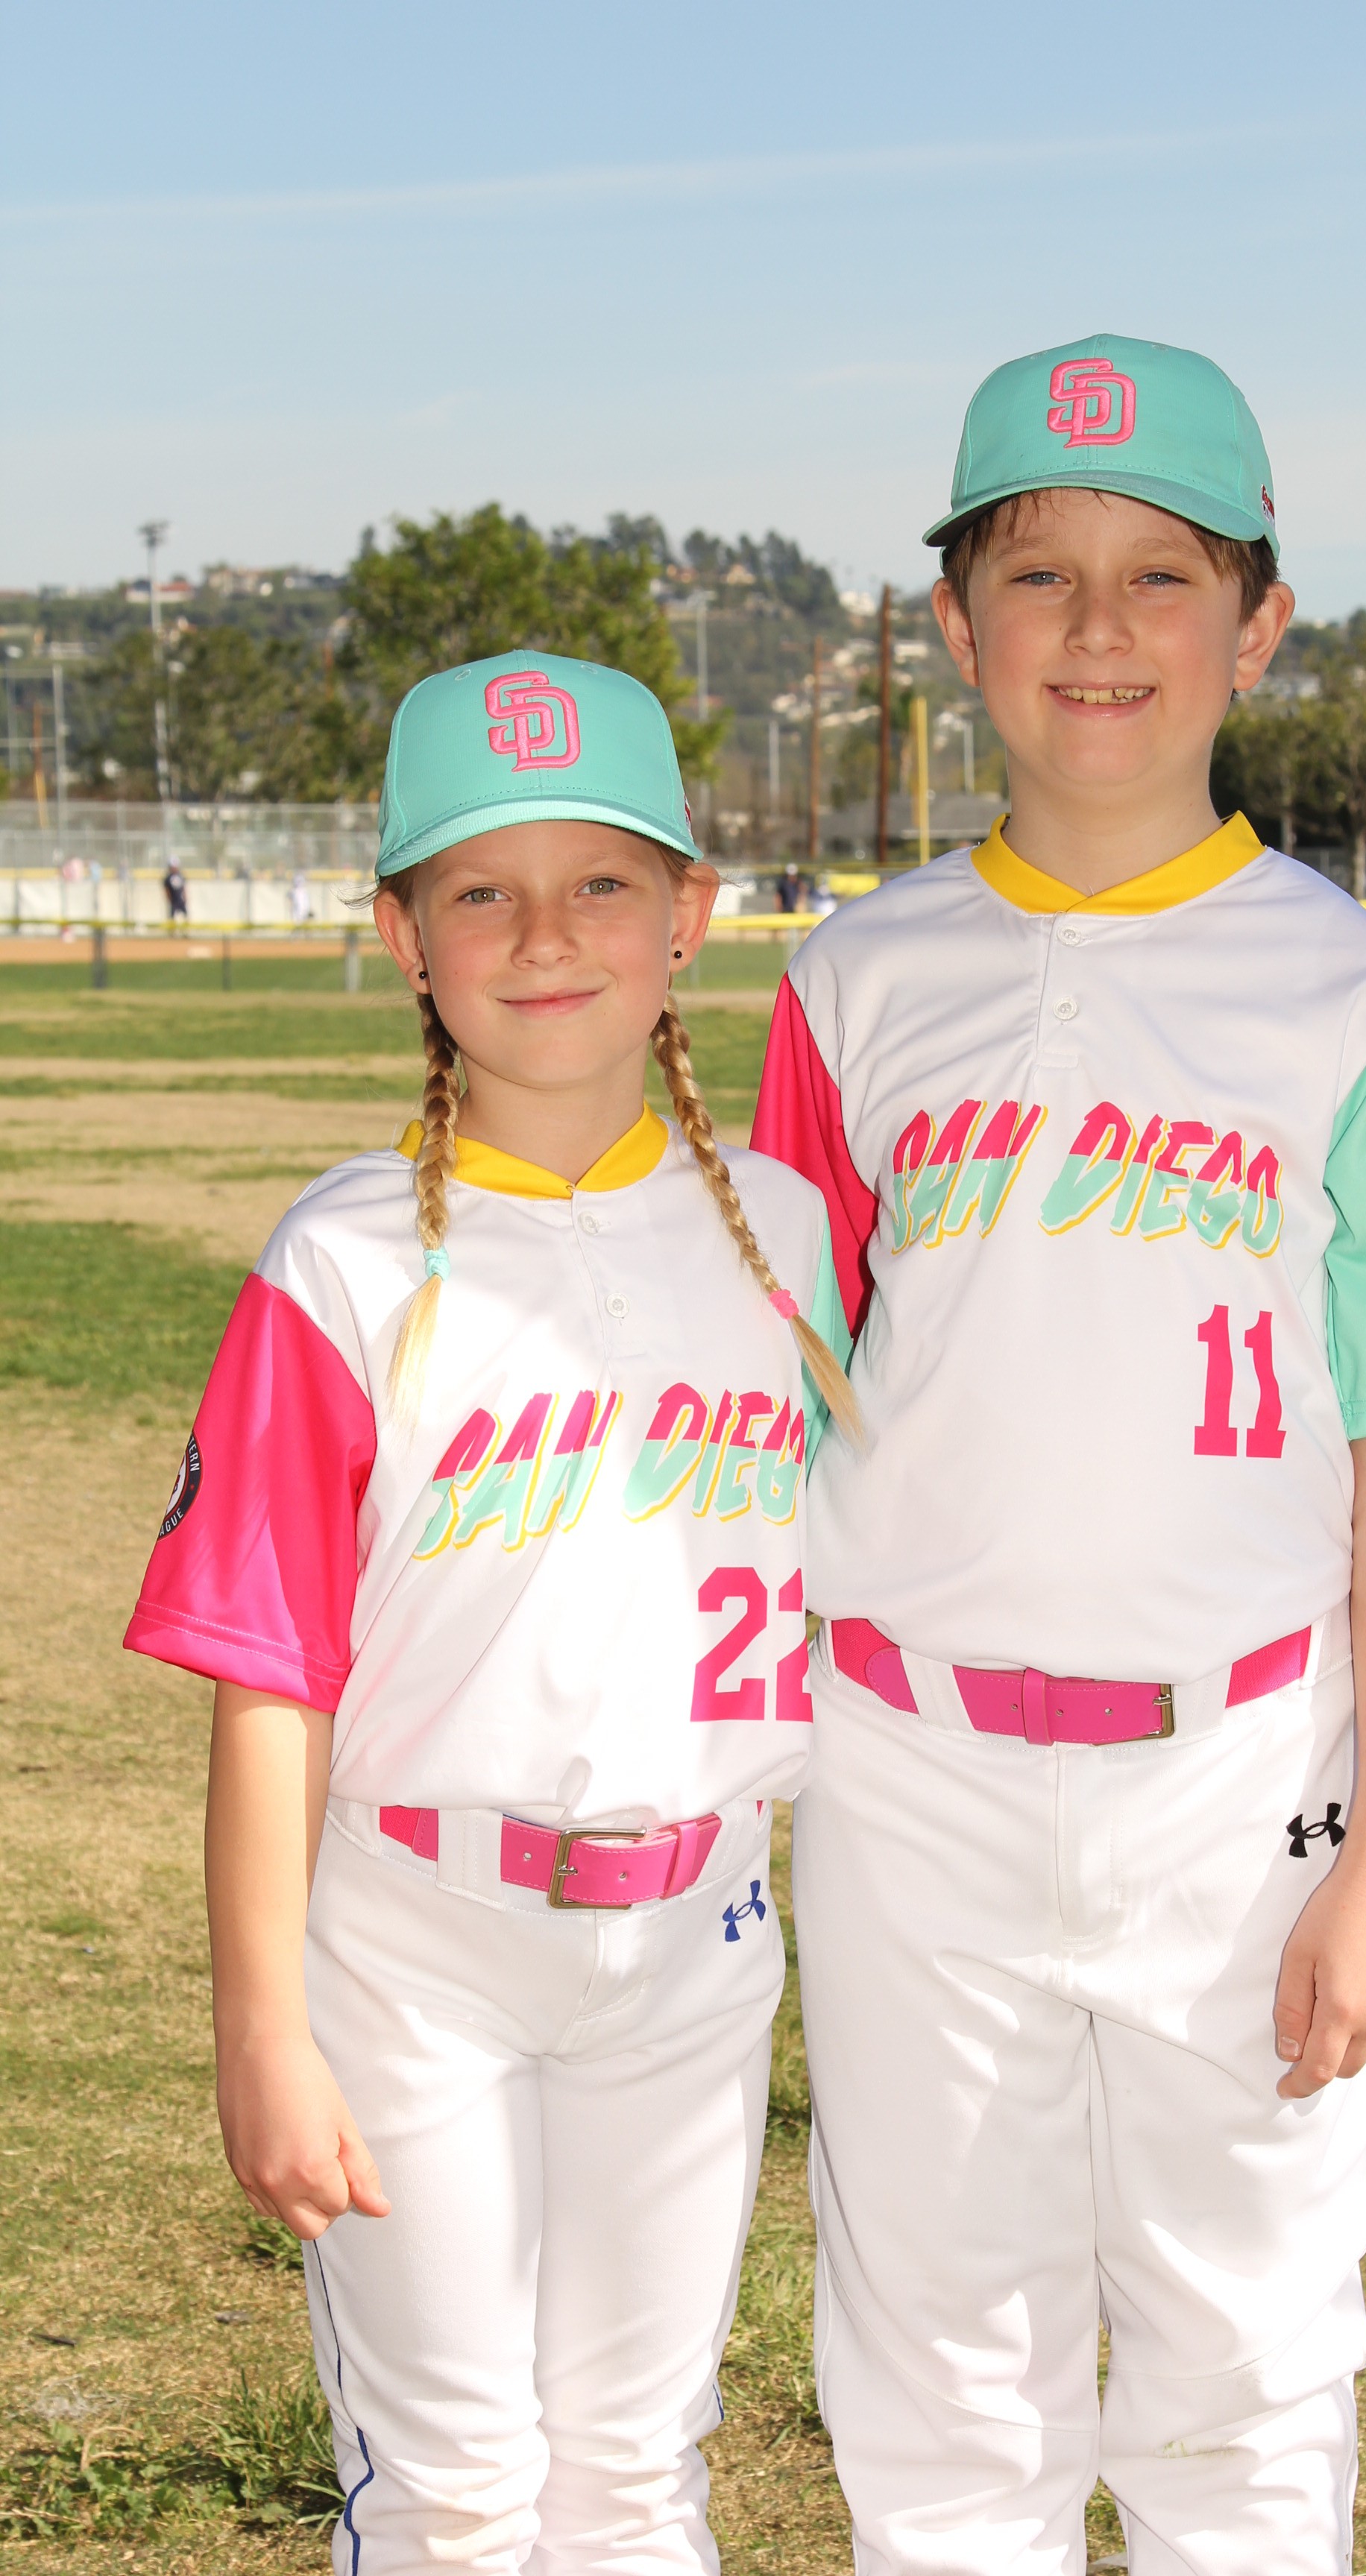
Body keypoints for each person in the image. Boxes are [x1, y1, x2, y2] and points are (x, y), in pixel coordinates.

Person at [751, 336, 1366, 2575]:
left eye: (1163, 576)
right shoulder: (854, 986)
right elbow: (774, 1404)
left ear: (1258, 625)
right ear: (954, 624)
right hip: (911, 1772)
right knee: (941, 2387)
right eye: (1039, 574)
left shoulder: (1348, 996)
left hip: (1244, 1776)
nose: (1099, 629)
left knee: (1244, 2381)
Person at [125, 651, 856, 2573]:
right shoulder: (342, 1259)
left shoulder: (787, 1238)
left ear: (690, 916)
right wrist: (262, 2029)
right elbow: (268, 1679)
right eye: (480, 890)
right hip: (416, 1948)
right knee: (455, 2487)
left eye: (602, 882)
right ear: (404, 937)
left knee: (637, 2469)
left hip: (698, 1937)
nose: (545, 936)